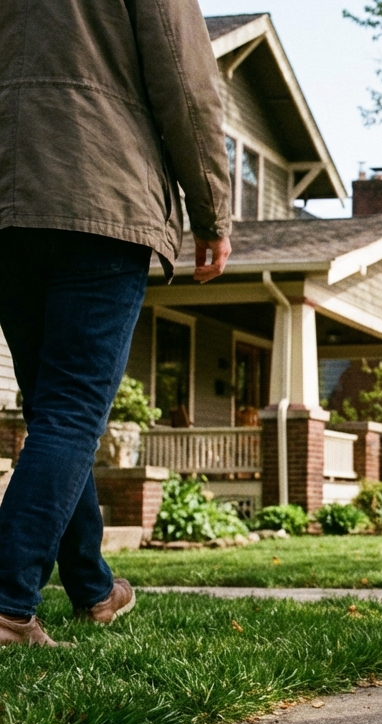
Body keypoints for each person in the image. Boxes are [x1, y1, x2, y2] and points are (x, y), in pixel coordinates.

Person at [0, 1, 231, 647]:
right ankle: (9, 605)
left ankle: (93, 587)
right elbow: (185, 83)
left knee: (53, 410)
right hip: (101, 192)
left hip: (10, 202)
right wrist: (212, 211)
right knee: (70, 410)